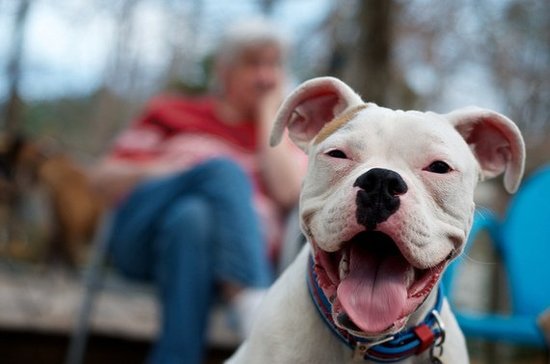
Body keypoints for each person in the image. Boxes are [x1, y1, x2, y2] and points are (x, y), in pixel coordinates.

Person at [91, 19, 305, 364]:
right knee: (220, 171)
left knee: (193, 219)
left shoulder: (286, 135)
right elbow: (100, 180)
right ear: (224, 72)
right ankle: (254, 304)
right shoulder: (172, 111)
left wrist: (270, 115)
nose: (266, 76)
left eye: (274, 65)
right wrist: (174, 172)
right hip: (141, 241)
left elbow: (289, 192)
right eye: (254, 64)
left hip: (214, 258)